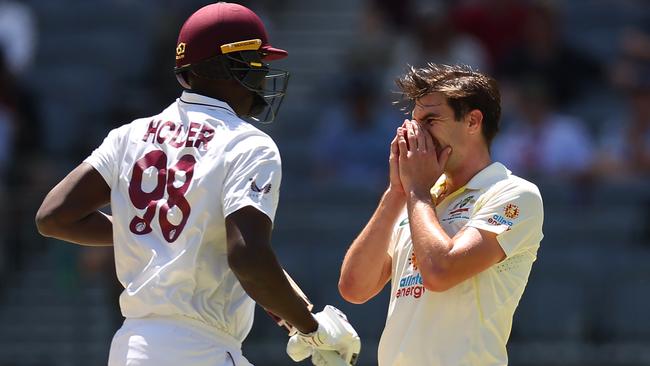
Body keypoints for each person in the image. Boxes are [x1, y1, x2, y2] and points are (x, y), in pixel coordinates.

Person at [35, 3, 358, 366]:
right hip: (201, 349)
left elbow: (53, 216)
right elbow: (247, 257)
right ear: (231, 66)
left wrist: (151, 232)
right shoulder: (247, 143)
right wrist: (310, 327)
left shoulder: (129, 135)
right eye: (257, 61)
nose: (264, 73)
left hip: (130, 347)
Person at [338, 64, 544, 365]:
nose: (415, 132)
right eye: (414, 121)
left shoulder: (514, 194)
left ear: (473, 121)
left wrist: (416, 191)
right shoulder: (418, 197)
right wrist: (397, 191)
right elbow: (355, 288)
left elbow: (440, 272)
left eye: (430, 120)